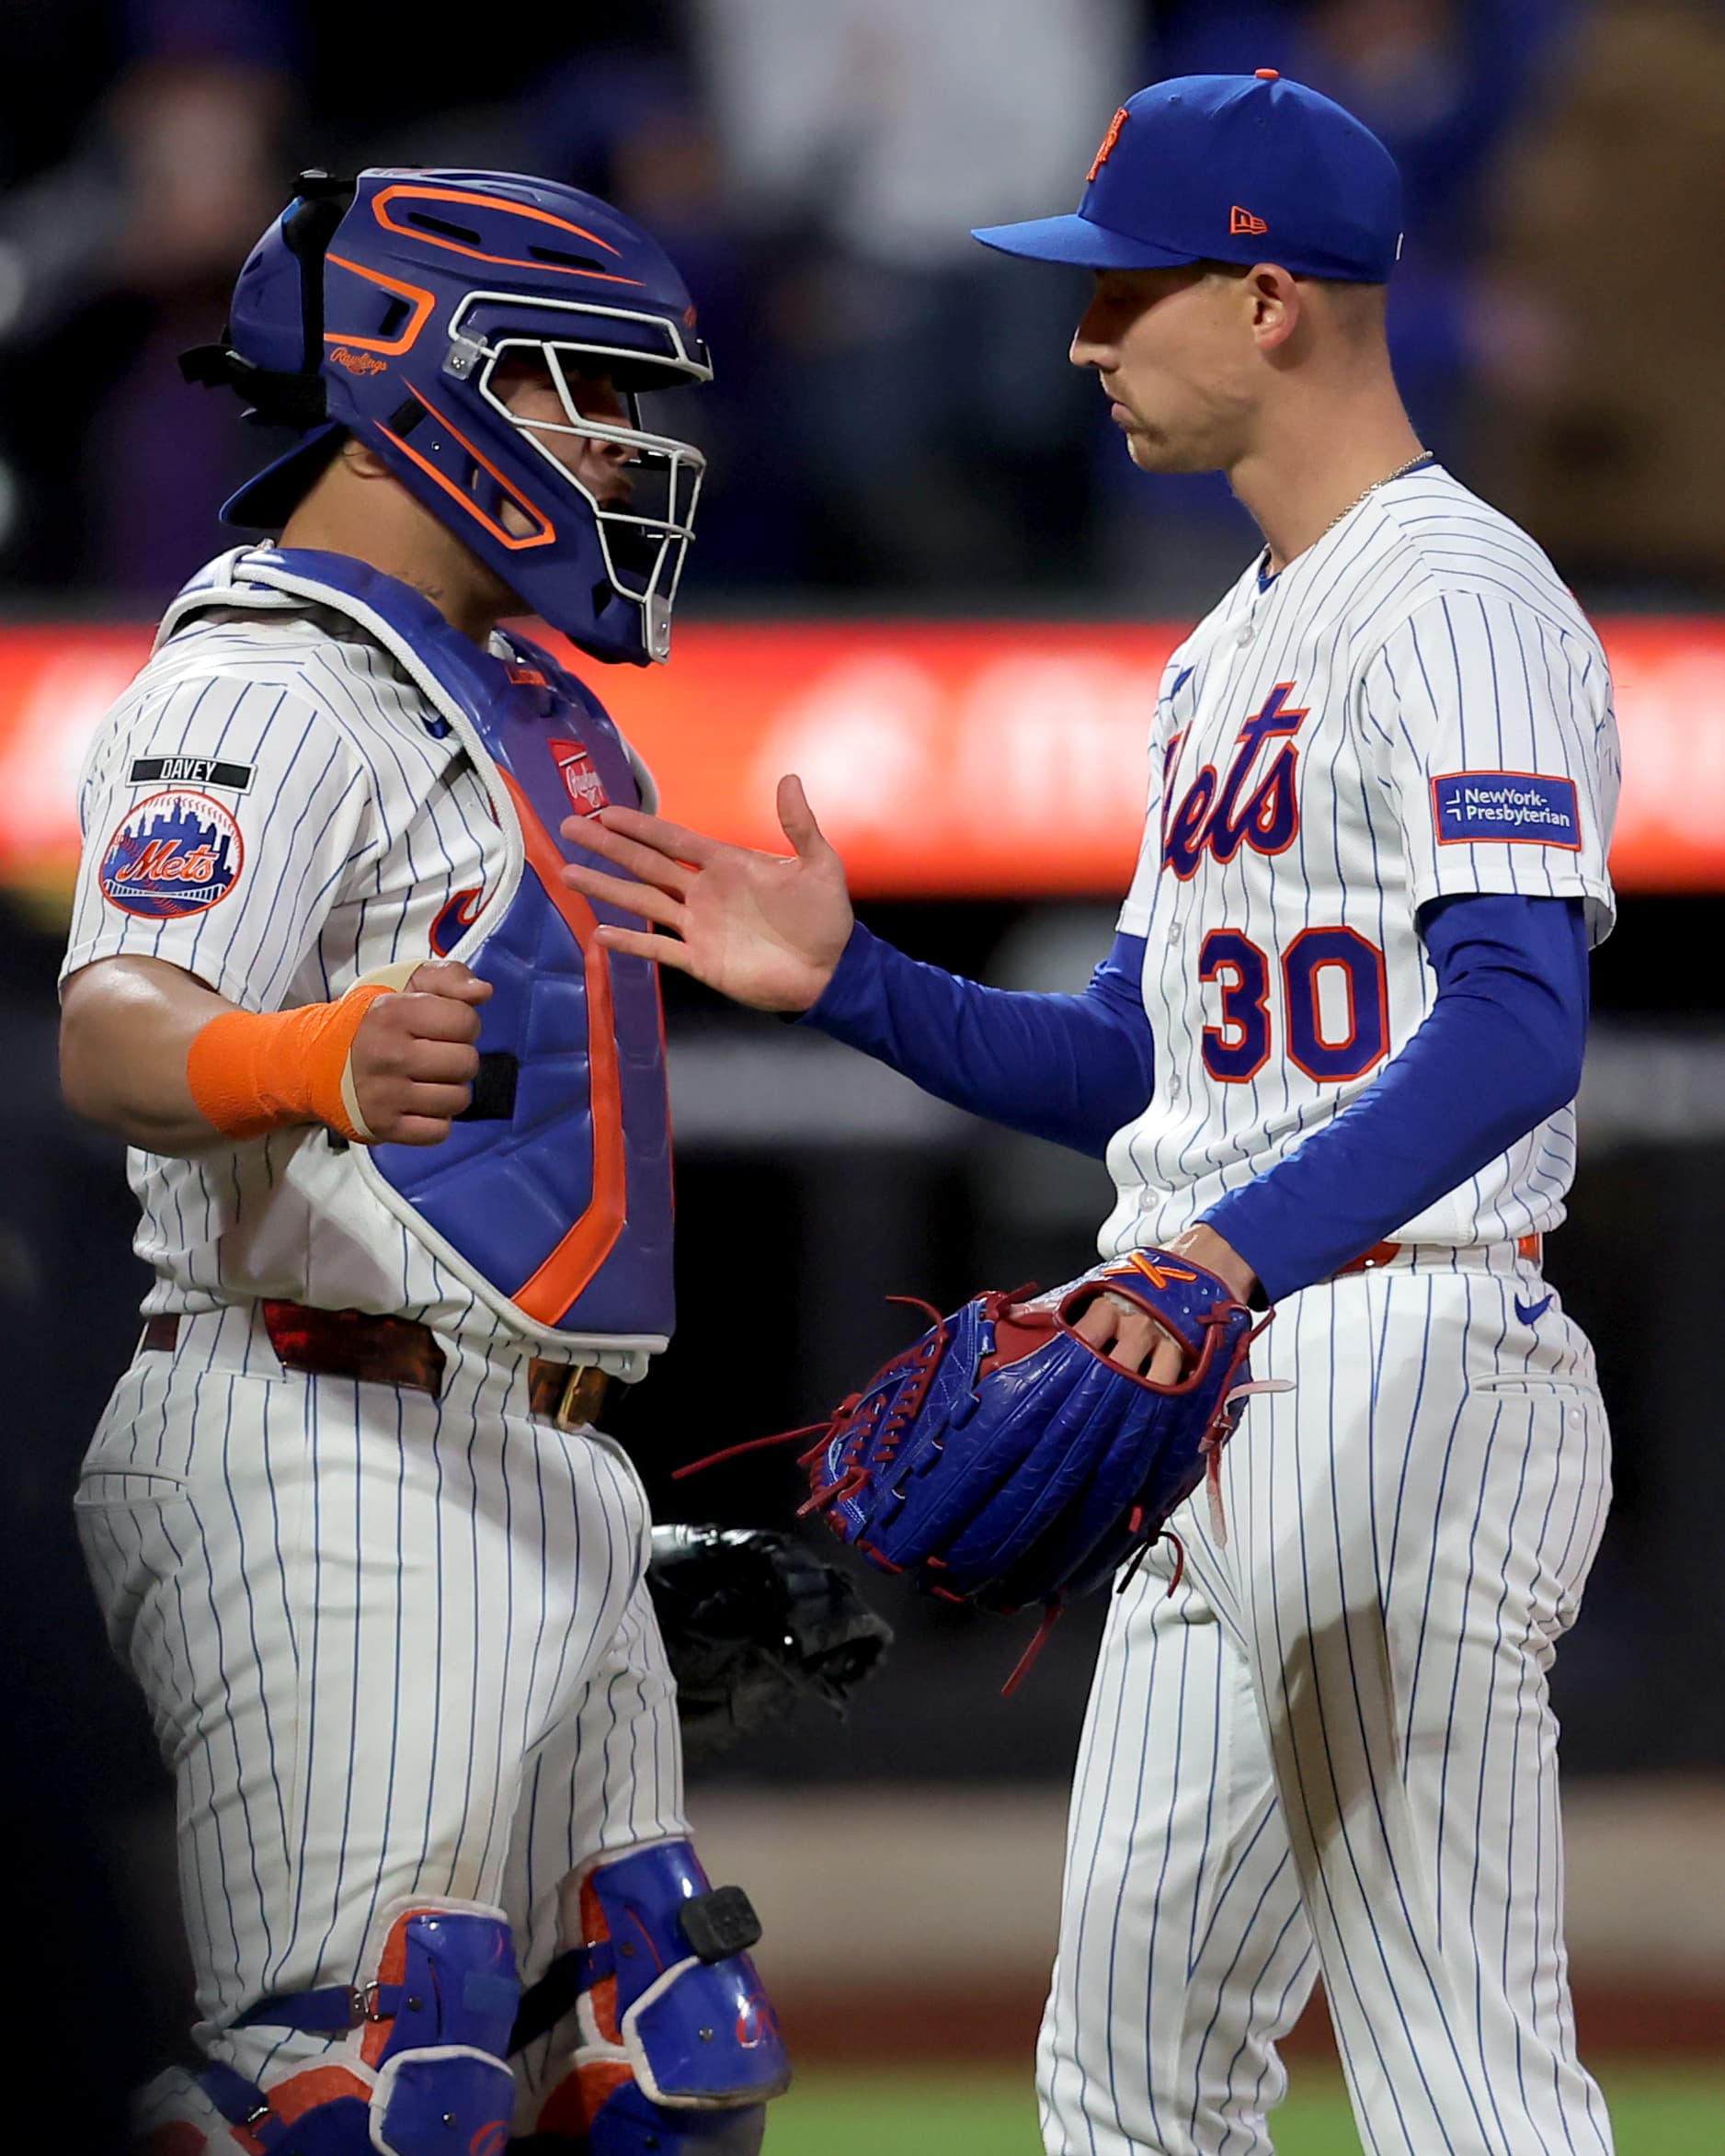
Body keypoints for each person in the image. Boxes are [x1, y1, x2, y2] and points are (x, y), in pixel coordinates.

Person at [560, 74, 1621, 2156]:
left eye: (1119, 294)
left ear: (1265, 299)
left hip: (1393, 1343)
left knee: (1457, 2079)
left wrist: (1226, 1251)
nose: (1076, 341)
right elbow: (1135, 1065)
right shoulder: (1219, 649)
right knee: (1124, 2078)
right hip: (1217, 1348)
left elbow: (1514, 1030)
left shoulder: (1457, 595)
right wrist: (847, 983)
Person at [58, 168, 793, 2154]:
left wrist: (590, 1530)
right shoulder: (260, 681)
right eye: (585, 391)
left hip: (520, 1451)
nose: (628, 446)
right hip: (313, 1428)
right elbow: (113, 1029)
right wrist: (306, 1053)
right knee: (343, 2085)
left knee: (647, 2078)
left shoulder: (518, 692)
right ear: (424, 380)